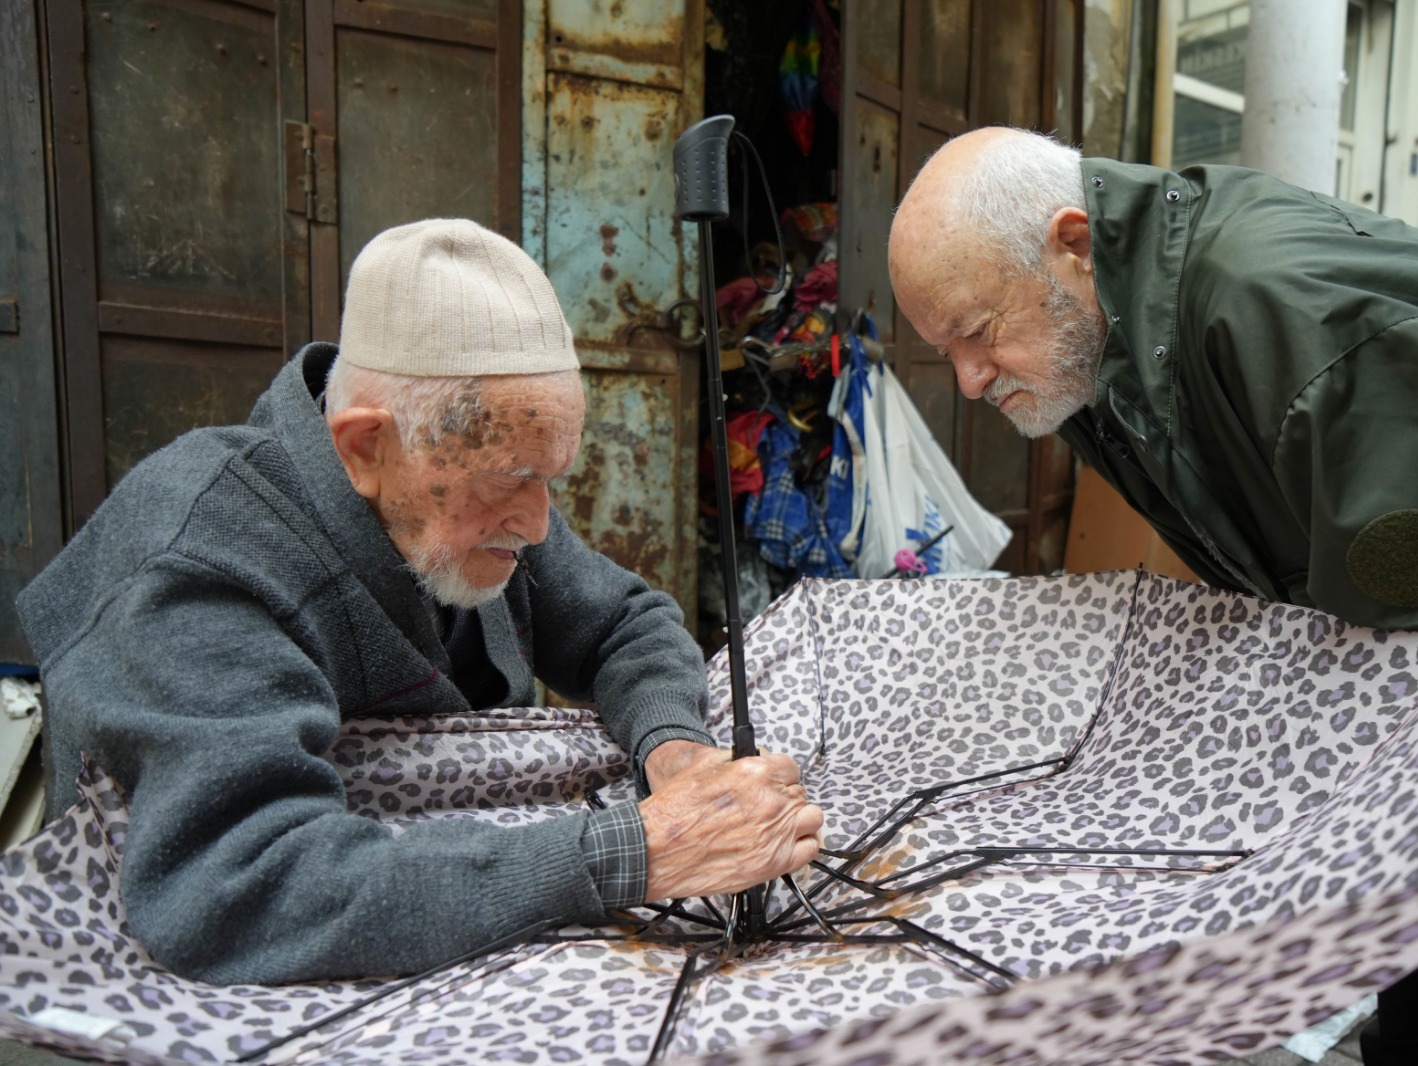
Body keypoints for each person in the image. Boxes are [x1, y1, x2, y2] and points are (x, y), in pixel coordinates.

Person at [887, 127, 1418, 1066]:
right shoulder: (1101, 346)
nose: (969, 381)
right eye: (946, 351)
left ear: (1074, 243)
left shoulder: (1280, 319)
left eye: (975, 335)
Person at [15, 218, 824, 986]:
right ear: (366, 446)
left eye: (549, 480)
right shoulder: (200, 557)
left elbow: (625, 624)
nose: (538, 524)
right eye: (512, 479)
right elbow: (241, 888)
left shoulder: (457, 496)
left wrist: (673, 750)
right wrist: (637, 850)